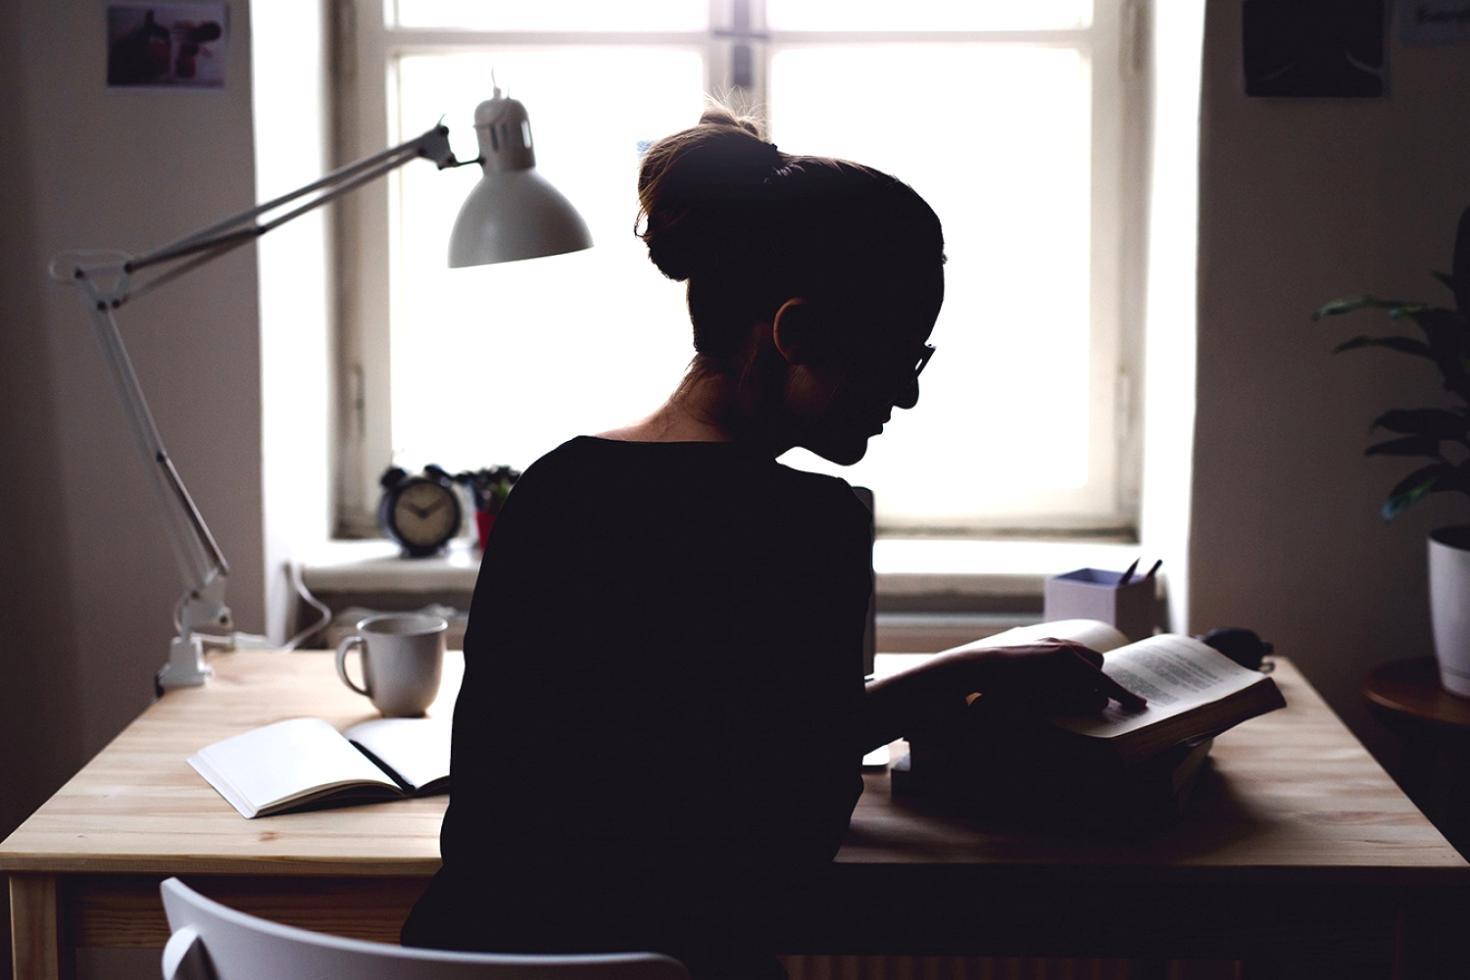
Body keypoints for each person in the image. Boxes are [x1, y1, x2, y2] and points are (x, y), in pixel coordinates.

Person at [401, 106, 1145, 979]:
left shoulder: (553, 485)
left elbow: (680, 748)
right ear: (795, 334)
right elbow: (794, 831)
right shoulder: (807, 524)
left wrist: (957, 673)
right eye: (898, 356)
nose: (907, 395)